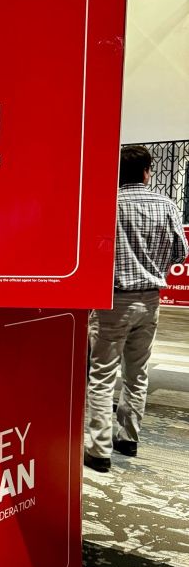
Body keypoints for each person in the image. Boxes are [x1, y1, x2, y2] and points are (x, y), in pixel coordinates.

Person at [84, 144, 187, 472]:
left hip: (112, 300)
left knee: (102, 375)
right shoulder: (166, 204)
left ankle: (99, 450)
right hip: (150, 299)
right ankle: (128, 438)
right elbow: (181, 251)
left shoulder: (105, 204)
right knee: (137, 372)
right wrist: (153, 264)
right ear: (147, 172)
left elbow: (90, 248)